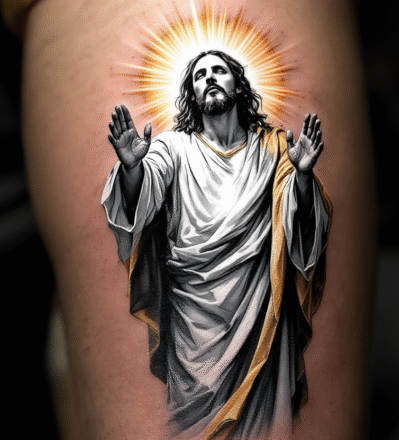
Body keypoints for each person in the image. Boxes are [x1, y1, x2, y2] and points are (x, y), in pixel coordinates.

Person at [102, 50, 331, 438]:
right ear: (191, 93)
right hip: (193, 327)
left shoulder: (274, 150)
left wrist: (304, 178)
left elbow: (305, 226)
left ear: (237, 85)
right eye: (199, 75)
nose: (209, 78)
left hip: (261, 316)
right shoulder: (173, 148)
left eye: (218, 71)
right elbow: (141, 202)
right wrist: (131, 168)